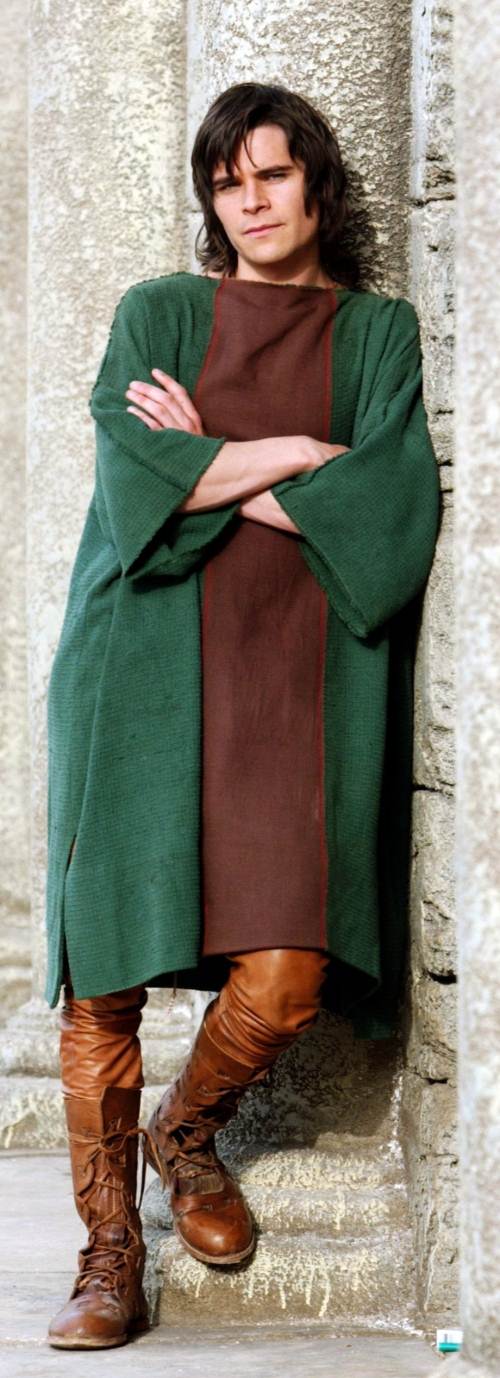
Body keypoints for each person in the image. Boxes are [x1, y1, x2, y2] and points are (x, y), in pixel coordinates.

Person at [45, 81, 440, 1349]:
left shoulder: (375, 336)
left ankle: (185, 1132)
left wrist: (212, 459)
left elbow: (387, 524)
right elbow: (135, 491)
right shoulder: (160, 313)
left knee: (285, 973)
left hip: (295, 683)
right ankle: (108, 1254)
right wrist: (301, 457)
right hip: (140, 666)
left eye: (272, 174)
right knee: (105, 975)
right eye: (227, 184)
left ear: (315, 182)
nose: (251, 202)